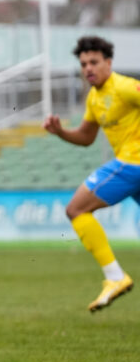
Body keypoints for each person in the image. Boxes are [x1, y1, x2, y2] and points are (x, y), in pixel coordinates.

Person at [44, 35, 140, 313]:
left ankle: (115, 277)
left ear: (108, 62)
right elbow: (86, 137)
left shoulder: (123, 87)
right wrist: (61, 132)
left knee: (76, 209)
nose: (88, 68)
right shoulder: (94, 99)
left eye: (94, 62)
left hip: (132, 163)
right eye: (84, 63)